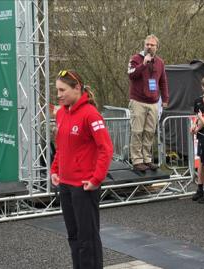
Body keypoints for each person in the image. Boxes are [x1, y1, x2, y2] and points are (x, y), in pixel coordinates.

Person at [51, 70, 114, 269]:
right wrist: (55, 169)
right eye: (57, 90)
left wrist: (96, 179)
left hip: (84, 186)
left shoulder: (90, 114)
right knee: (74, 236)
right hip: (66, 185)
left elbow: (106, 148)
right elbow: (61, 146)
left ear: (77, 88)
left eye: (63, 90)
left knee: (88, 239)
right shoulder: (61, 113)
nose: (59, 95)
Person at [127, 34, 169, 172]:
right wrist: (143, 64)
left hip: (153, 102)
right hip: (138, 101)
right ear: (144, 45)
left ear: (157, 47)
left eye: (152, 45)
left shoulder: (160, 62)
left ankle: (147, 159)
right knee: (137, 131)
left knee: (150, 132)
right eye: (147, 44)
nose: (149, 47)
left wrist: (165, 99)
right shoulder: (135, 59)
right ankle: (137, 160)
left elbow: (162, 81)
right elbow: (131, 74)